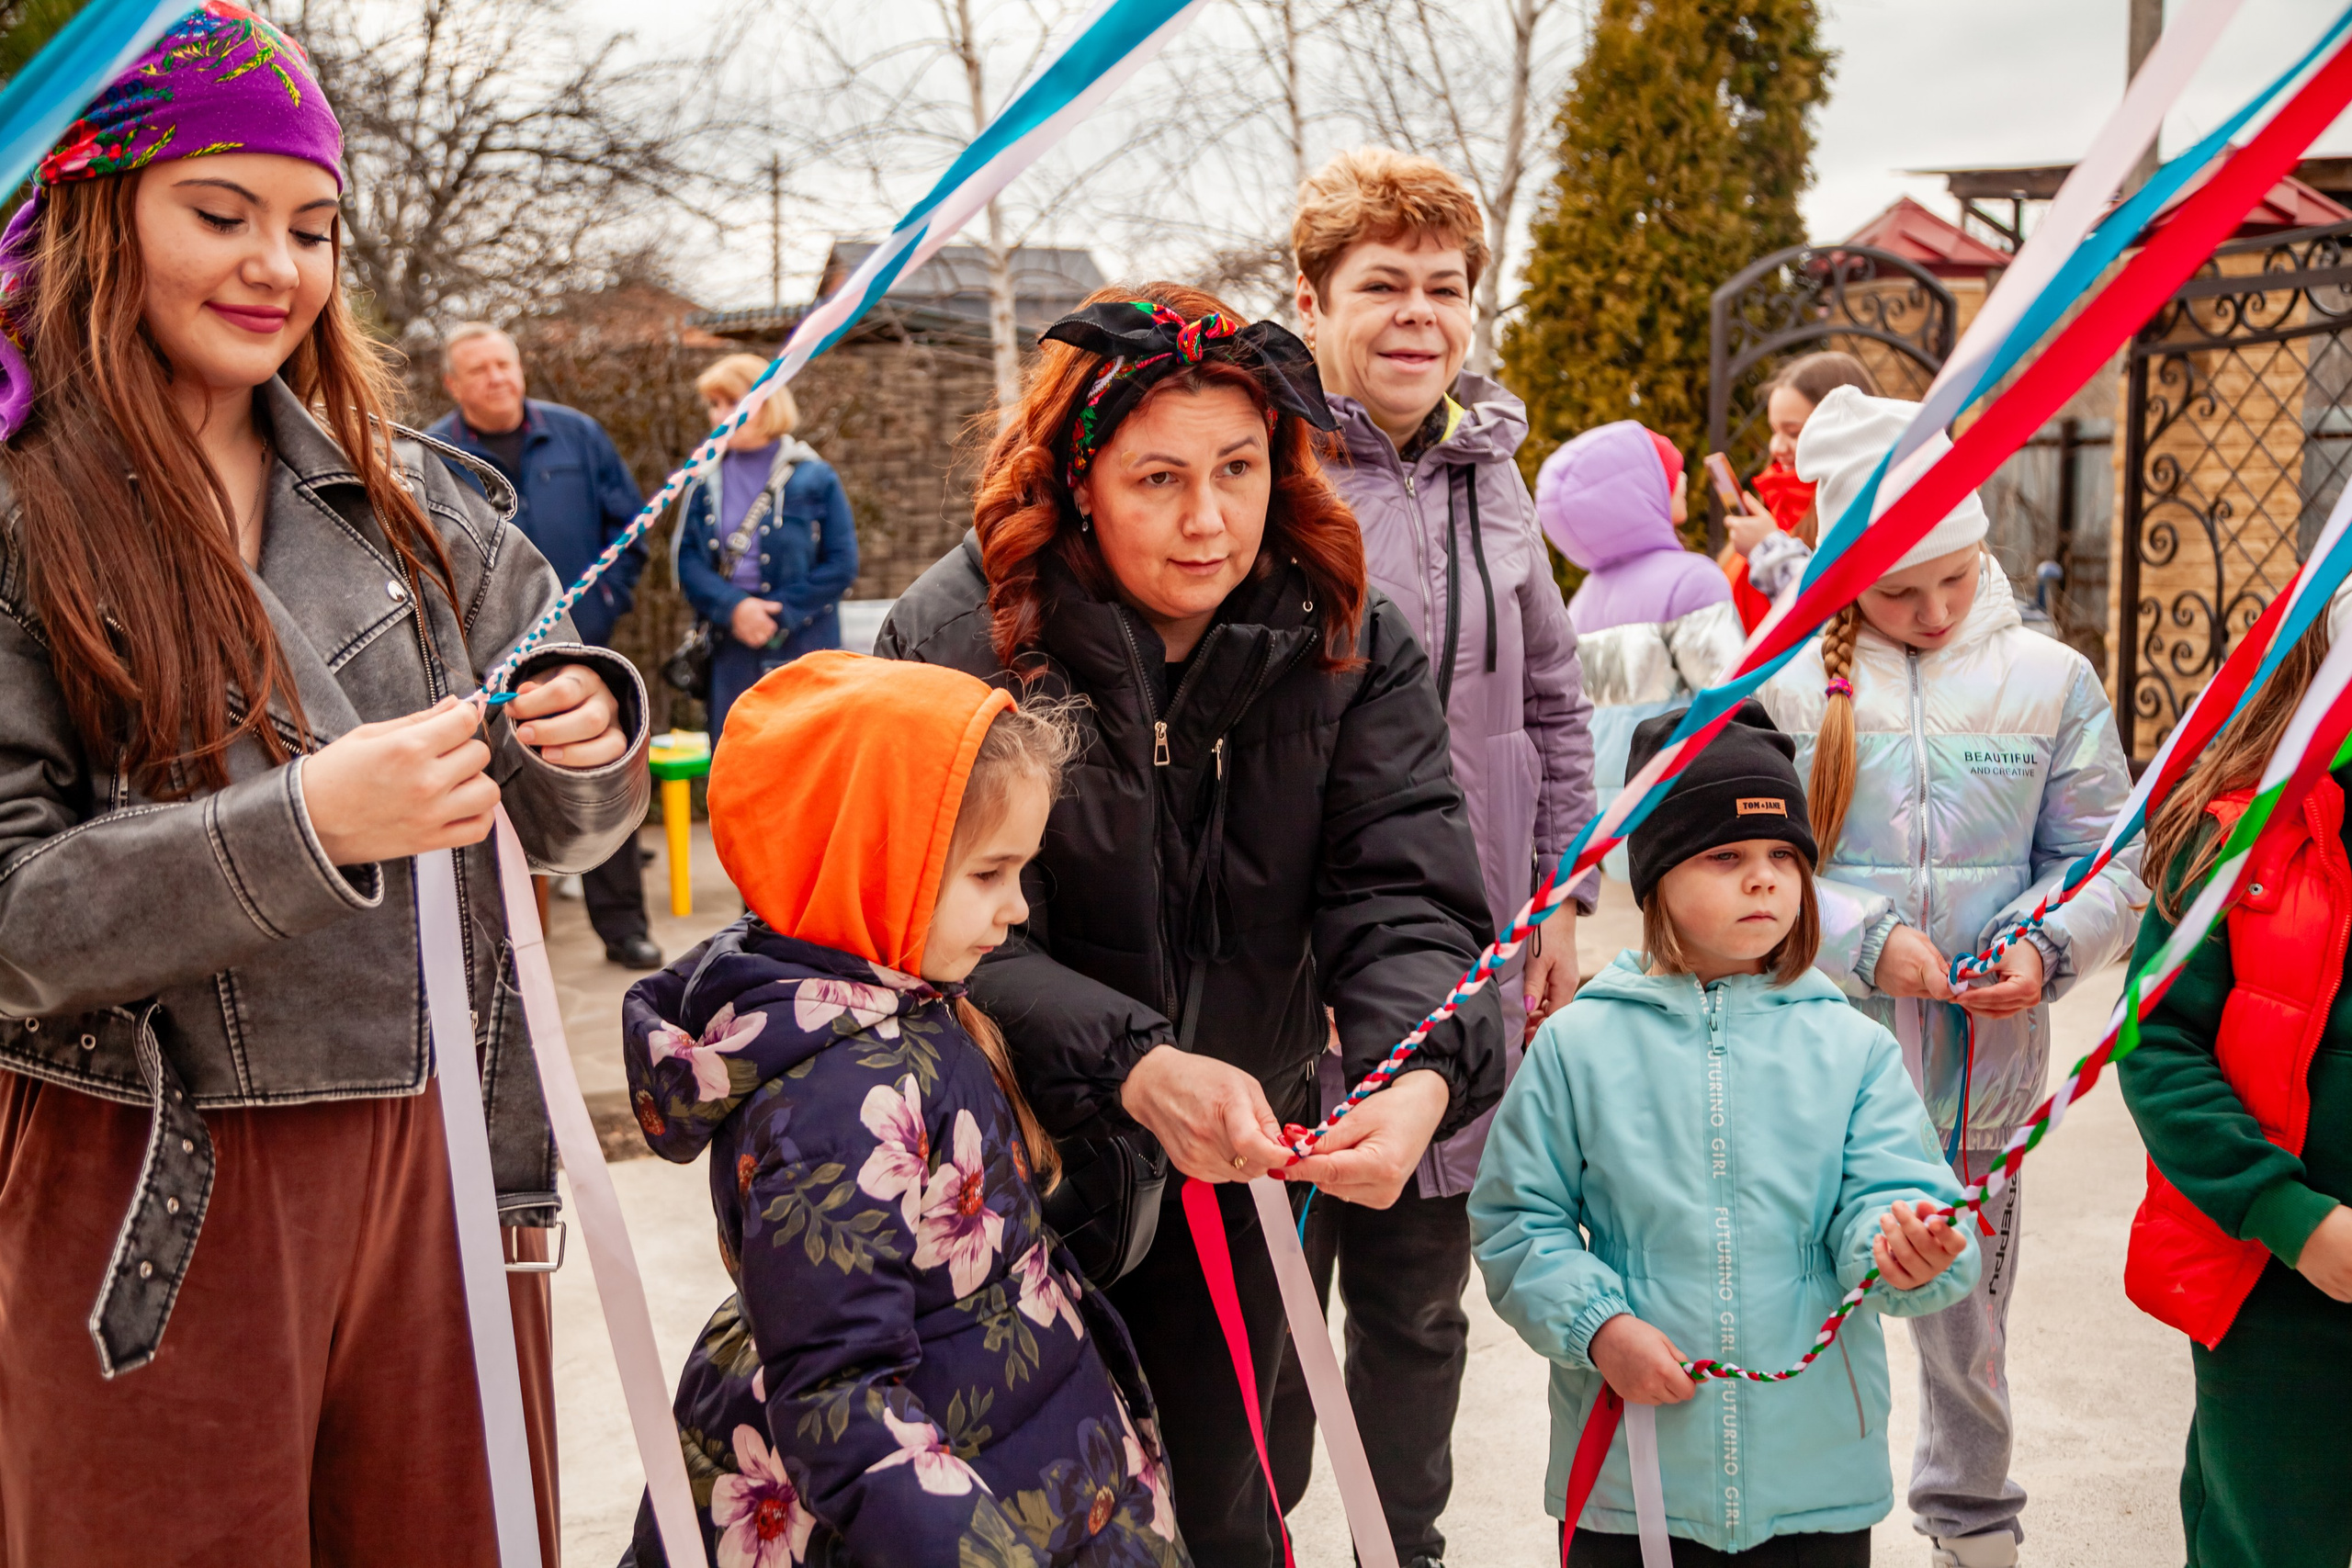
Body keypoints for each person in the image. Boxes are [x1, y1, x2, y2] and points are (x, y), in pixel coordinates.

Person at [0, 10, 650, 1563]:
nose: (274, 266)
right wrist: (306, 828)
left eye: (310, 227)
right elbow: (13, 911)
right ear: (98, 214)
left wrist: (583, 737)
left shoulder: (425, 504)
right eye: (220, 213)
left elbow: (572, 810)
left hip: (445, 1172)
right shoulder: (23, 511)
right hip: (146, 1186)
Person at [876, 280, 1506, 1567]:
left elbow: (1405, 891)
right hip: (1009, 1168)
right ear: (1078, 480)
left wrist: (1418, 1070)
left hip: (1237, 1168)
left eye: (1238, 468)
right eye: (1158, 478)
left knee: (1228, 1503)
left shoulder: (1341, 634)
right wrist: (1134, 1064)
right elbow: (923, 930)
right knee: (1020, 1512)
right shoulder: (957, 638)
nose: (1208, 519)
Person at [617, 653, 1185, 1567]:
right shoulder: (838, 1101)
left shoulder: (899, 1003)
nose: (1016, 908)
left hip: (1003, 1441)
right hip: (932, 1509)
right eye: (989, 873)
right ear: (872, 865)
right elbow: (840, 1399)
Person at [1270, 145, 1598, 1568]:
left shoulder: (1493, 470)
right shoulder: (1267, 467)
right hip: (1293, 960)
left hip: (1464, 953)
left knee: (1418, 1302)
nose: (1419, 314)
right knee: (1275, 1309)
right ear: (1312, 301)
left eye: (1445, 287)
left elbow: (1552, 698)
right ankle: (1254, 1534)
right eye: (1383, 285)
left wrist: (1561, 895)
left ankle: (1399, 1545)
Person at [1757, 388, 2144, 1568]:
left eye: (1954, 580)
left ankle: (1973, 1529)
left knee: (1967, 1326)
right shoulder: (1781, 685)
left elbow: (2105, 859)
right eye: (1895, 592)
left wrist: (2044, 944)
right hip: (1816, 1075)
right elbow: (1741, 872)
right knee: (1801, 1310)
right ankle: (1798, 1525)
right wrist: (1864, 939)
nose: (1930, 613)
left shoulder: (2050, 680)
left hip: (1984, 1080)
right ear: (1844, 579)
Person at [1472, 699, 1979, 1564]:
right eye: (1726, 855)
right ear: (1657, 874)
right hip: (1631, 1477)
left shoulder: (1853, 1046)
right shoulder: (1577, 1046)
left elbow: (1896, 1196)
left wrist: (1903, 1247)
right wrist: (1600, 1326)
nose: (1764, 879)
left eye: (1784, 855)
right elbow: (1517, 1224)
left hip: (1814, 1483)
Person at [2117, 618, 2352, 1568]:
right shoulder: (2234, 841)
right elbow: (2158, 1042)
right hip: (2276, 1290)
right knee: (2265, 1531)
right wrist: (2291, 1218)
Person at [429, 321, 662, 969]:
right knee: (489, 794)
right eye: (479, 370)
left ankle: (623, 928)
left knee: (595, 775)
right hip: (479, 669)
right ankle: (499, 948)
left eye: (504, 364)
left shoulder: (577, 434)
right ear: (453, 384)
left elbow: (631, 526)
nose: (497, 378)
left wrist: (605, 603)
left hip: (578, 650)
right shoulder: (433, 456)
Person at [673, 352, 859, 739]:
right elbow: (688, 561)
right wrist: (735, 608)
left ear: (768, 402)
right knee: (737, 754)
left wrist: (780, 613)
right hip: (730, 646)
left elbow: (842, 563)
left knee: (807, 753)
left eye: (733, 402)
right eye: (714, 404)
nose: (720, 414)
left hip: (804, 644)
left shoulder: (815, 476)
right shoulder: (703, 479)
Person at [1721, 353, 1881, 631]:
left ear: (1842, 430)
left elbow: (1838, 614)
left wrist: (1768, 548)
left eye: (1794, 433)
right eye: (1774, 430)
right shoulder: (1776, 498)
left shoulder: (1865, 512)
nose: (1776, 447)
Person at [1537, 421, 1732, 634]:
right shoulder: (1695, 582)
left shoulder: (1580, 607)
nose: (1683, 477)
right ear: (1639, 492)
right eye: (1668, 474)